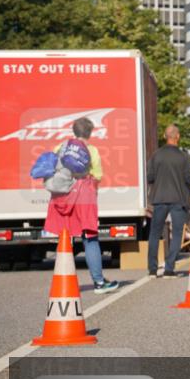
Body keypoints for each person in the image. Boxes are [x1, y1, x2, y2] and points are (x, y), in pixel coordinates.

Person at [44, 117, 119, 294]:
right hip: (83, 198)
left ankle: (63, 284)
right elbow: (98, 176)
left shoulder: (60, 147)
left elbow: (52, 169)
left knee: (64, 239)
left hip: (61, 197)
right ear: (90, 133)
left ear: (74, 131)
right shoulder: (91, 150)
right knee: (90, 238)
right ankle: (99, 283)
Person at [147, 125, 190, 278]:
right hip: (178, 199)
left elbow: (150, 178)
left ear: (164, 136)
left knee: (155, 233)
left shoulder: (156, 155)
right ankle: (169, 268)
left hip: (159, 198)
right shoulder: (184, 157)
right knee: (177, 233)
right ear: (178, 136)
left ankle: (152, 269)